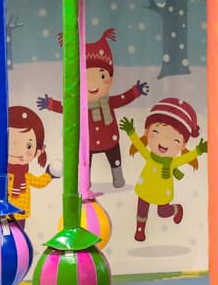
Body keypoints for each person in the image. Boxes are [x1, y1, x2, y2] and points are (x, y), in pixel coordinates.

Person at [38, 28, 148, 188]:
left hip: (110, 139)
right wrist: (51, 104)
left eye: (102, 76)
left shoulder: (108, 102)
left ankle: (118, 177)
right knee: (85, 163)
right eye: (85, 78)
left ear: (110, 79)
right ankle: (85, 181)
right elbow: (66, 108)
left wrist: (135, 91)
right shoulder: (79, 105)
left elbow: (123, 98)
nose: (92, 84)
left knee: (115, 159)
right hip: (87, 142)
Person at [120, 98, 207, 242]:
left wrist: (198, 151)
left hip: (162, 192)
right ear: (147, 132)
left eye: (175, 140)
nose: (164, 141)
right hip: (145, 188)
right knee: (142, 210)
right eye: (156, 132)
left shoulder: (172, 163)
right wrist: (131, 132)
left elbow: (186, 158)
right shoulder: (150, 156)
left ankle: (176, 209)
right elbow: (140, 146)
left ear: (182, 145)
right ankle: (140, 230)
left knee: (163, 212)